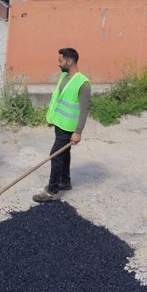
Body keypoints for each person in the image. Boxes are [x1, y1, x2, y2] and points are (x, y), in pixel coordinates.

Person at [33, 47, 91, 202]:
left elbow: (84, 110)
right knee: (64, 154)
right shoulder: (64, 76)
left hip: (69, 128)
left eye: (60, 60)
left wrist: (78, 132)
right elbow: (58, 99)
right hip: (59, 124)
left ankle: (52, 191)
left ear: (70, 61)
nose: (58, 64)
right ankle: (65, 181)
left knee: (56, 155)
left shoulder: (83, 84)